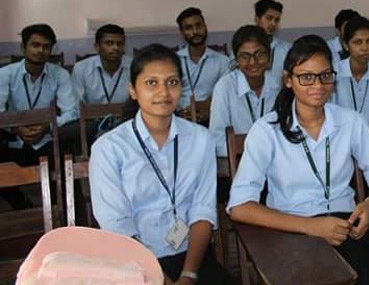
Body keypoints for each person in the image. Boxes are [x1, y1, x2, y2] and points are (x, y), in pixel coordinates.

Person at [227, 35, 369, 285]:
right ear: (288, 80)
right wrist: (310, 226)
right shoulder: (267, 130)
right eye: (306, 77)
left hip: (343, 224)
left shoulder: (350, 121)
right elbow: (239, 206)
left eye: (325, 75)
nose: (318, 84)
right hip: (289, 227)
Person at [89, 44, 232, 284]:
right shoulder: (109, 148)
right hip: (133, 263)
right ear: (133, 90)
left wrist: (188, 274)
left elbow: (203, 211)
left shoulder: (200, 139)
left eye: (172, 82)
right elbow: (117, 226)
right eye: (151, 83)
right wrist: (161, 279)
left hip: (192, 258)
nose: (164, 92)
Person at [0, 24, 77, 171]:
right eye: (35, 45)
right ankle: (16, 195)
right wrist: (16, 128)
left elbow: (71, 112)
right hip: (14, 140)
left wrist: (47, 127)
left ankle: (61, 194)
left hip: (47, 140)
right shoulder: (5, 74)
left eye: (46, 46)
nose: (40, 50)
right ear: (23, 47)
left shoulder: (60, 75)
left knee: (67, 149)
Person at [209, 25, 280, 157]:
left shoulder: (278, 86)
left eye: (259, 54)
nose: (253, 62)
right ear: (236, 60)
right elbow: (217, 141)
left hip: (274, 162)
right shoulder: (225, 87)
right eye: (245, 56)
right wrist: (252, 153)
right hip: (238, 162)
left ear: (269, 56)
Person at [175, 7, 230, 110]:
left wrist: (205, 106)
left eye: (198, 26)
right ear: (182, 33)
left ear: (205, 27)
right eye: (189, 28)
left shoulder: (222, 62)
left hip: (211, 116)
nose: (195, 31)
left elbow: (225, 93)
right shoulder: (174, 61)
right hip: (179, 117)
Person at [71, 24, 131, 105]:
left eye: (119, 44)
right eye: (109, 43)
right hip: (91, 116)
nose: (115, 48)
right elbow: (77, 105)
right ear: (97, 47)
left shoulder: (134, 66)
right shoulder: (81, 68)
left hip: (127, 116)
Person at [254, 0, 291, 84]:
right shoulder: (244, 48)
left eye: (276, 20)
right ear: (257, 19)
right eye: (269, 18)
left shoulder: (287, 49)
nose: (273, 23)